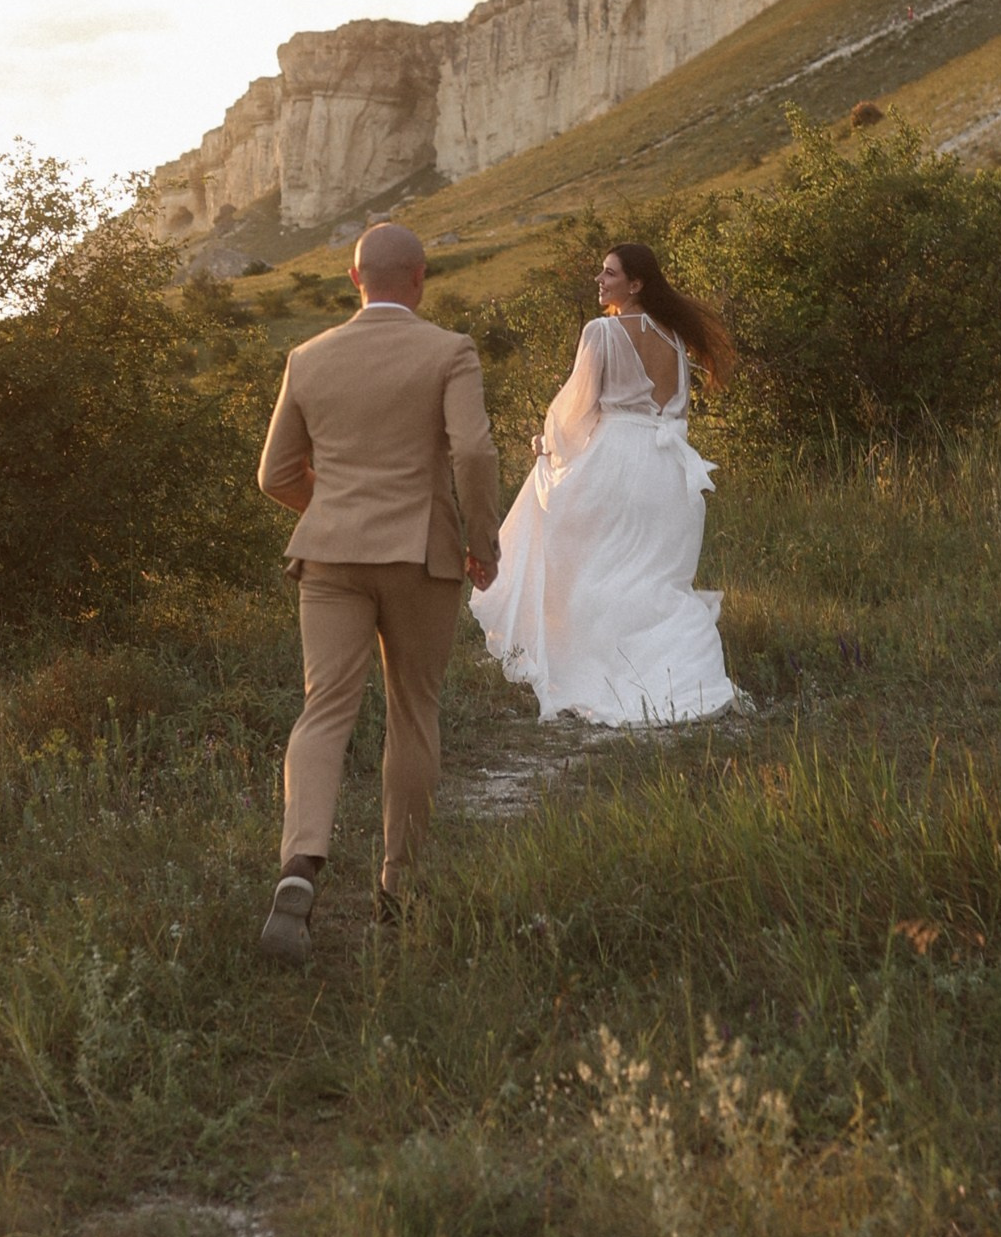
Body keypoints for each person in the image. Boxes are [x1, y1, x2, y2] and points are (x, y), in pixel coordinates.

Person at [253, 220, 501, 964]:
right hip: (421, 556)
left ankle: (300, 864)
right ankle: (399, 886)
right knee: (412, 712)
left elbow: (274, 476)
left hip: (328, 557)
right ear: (420, 279)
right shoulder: (448, 350)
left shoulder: (308, 356)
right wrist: (480, 543)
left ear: (355, 280)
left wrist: (331, 513)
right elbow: (477, 451)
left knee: (324, 708)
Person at [470, 241, 735, 726]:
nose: (600, 279)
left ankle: (598, 670)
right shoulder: (676, 338)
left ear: (635, 284)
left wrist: (547, 446)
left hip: (618, 460)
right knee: (654, 578)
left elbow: (577, 408)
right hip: (669, 469)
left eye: (609, 274)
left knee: (594, 564)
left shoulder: (603, 332)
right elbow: (676, 408)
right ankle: (679, 676)